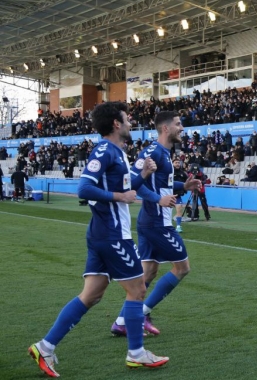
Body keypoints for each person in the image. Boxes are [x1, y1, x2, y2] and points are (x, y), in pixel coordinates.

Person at [28, 102, 166, 378]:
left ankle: (45, 346)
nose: (130, 122)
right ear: (116, 123)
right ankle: (136, 354)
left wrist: (143, 176)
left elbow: (125, 189)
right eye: (126, 119)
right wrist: (119, 197)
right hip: (113, 234)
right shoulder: (104, 150)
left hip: (103, 233)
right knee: (137, 290)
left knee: (91, 294)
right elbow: (84, 188)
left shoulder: (117, 152)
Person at [110, 110, 202, 338]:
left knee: (149, 272)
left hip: (150, 221)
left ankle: (122, 321)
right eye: (179, 124)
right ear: (165, 128)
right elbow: (132, 181)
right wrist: (157, 199)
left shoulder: (163, 153)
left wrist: (183, 186)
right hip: (156, 223)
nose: (182, 128)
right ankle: (141, 313)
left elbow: (161, 184)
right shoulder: (153, 151)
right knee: (182, 268)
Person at [172, 159, 188, 233]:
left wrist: (185, 189)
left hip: (177, 196)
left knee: (179, 210)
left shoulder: (183, 173)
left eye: (178, 162)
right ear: (172, 163)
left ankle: (178, 226)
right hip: (168, 195)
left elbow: (187, 182)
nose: (177, 164)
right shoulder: (170, 172)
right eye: (176, 163)